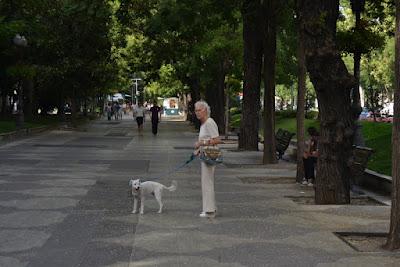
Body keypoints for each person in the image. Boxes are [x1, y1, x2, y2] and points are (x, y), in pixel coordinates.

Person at [193, 100, 221, 218]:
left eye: (199, 110)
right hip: (205, 155)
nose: (197, 113)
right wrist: (199, 149)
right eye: (196, 110)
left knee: (207, 182)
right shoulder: (204, 124)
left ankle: (210, 210)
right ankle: (209, 208)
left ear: (205, 110)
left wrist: (201, 143)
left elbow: (217, 139)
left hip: (210, 155)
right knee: (206, 182)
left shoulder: (209, 122)